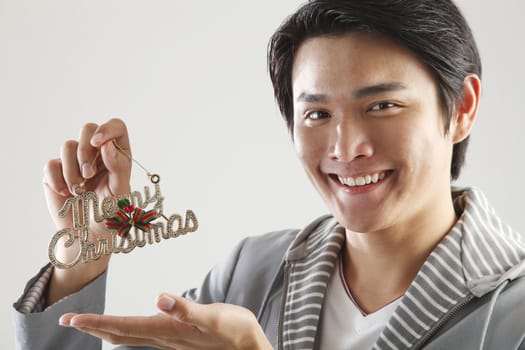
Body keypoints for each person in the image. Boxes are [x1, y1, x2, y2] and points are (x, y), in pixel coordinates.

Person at [13, 0, 525, 349]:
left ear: (461, 108)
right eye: (317, 115)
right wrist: (82, 258)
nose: (347, 148)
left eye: (383, 105)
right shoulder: (251, 271)